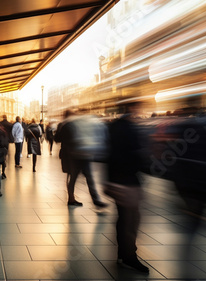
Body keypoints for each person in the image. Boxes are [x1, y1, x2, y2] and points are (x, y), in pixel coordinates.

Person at [107, 102, 149, 273]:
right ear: (132, 109)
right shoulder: (128, 128)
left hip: (116, 178)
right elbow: (134, 153)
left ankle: (123, 252)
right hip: (126, 179)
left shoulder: (114, 126)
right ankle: (128, 256)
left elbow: (109, 152)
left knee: (124, 217)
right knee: (130, 219)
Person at [54, 110, 108, 207]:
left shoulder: (66, 124)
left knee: (74, 178)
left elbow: (57, 138)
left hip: (73, 155)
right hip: (78, 155)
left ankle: (74, 199)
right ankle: (90, 200)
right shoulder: (71, 124)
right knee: (86, 178)